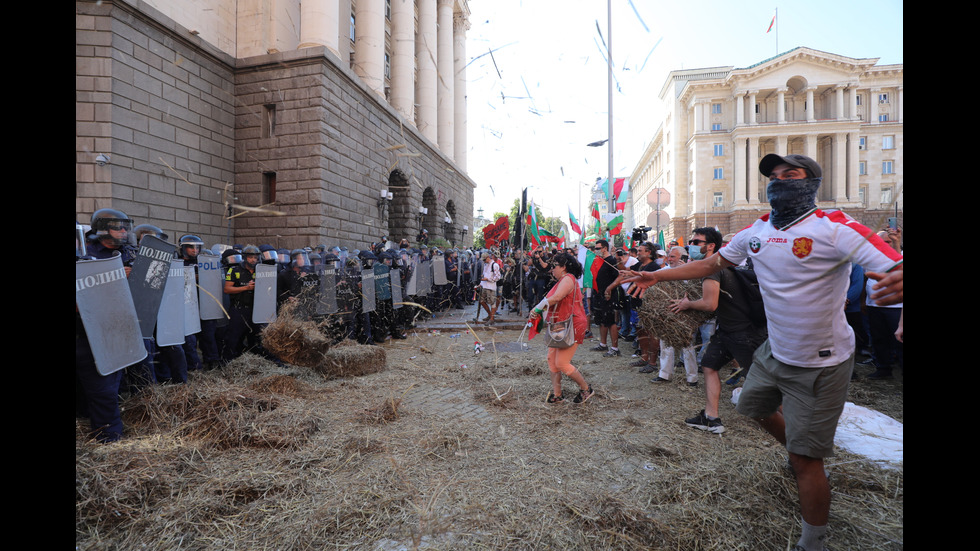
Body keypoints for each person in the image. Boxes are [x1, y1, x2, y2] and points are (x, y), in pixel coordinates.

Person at [623, 153, 903, 551]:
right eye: (773, 176)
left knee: (808, 463)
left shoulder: (835, 226)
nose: (778, 181)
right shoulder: (757, 228)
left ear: (812, 183)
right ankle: (801, 452)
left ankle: (813, 540)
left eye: (790, 174)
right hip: (776, 349)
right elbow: (711, 265)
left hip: (822, 360)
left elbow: (894, 262)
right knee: (750, 406)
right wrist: (656, 274)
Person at [677, 227, 768, 434]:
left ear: (711, 246)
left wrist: (688, 305)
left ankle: (789, 426)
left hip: (743, 333)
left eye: (696, 242)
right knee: (709, 365)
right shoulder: (716, 267)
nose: (691, 245)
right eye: (691, 241)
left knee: (760, 379)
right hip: (727, 331)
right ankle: (712, 418)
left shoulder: (713, 269)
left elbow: (710, 304)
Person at [528, 252, 594, 404]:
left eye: (554, 266)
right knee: (552, 359)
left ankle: (586, 389)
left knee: (562, 363)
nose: (552, 270)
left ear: (564, 267)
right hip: (560, 324)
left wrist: (537, 308)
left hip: (572, 324)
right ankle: (558, 395)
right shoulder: (564, 280)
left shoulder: (568, 279)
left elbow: (556, 298)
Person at [592, 239, 623, 357]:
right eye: (595, 248)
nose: (596, 250)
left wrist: (610, 288)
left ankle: (615, 348)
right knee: (602, 320)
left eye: (598, 248)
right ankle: (603, 344)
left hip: (609, 295)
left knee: (610, 321)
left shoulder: (611, 261)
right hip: (599, 294)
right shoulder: (599, 260)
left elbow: (620, 276)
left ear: (605, 248)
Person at [474, 252, 501, 326]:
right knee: (481, 301)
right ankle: (490, 315)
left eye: (484, 260)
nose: (484, 261)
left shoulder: (494, 265)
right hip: (484, 286)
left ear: (488, 257)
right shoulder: (485, 265)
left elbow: (497, 277)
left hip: (491, 287)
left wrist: (488, 279)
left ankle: (491, 319)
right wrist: (480, 284)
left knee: (492, 302)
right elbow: (484, 276)